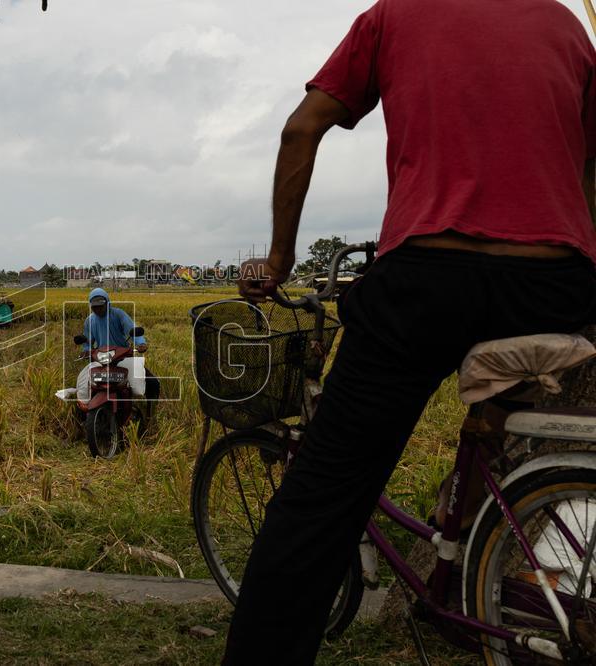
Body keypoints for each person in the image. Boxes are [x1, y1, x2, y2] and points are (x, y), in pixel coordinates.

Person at [228, 0, 596, 662]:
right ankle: (466, 550)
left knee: (320, 503)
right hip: (554, 285)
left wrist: (279, 260)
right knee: (497, 420)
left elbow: (300, 129)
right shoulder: (566, 26)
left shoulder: (394, 15)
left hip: (429, 280)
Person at [75, 288, 160, 404]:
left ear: (107, 303)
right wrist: (86, 350)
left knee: (152, 382)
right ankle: (84, 409)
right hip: (101, 358)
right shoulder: (89, 321)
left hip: (122, 356)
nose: (98, 309)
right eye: (95, 307)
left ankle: (151, 408)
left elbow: (131, 329)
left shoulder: (118, 314)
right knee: (84, 383)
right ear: (91, 306)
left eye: (101, 306)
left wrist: (141, 343)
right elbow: (87, 341)